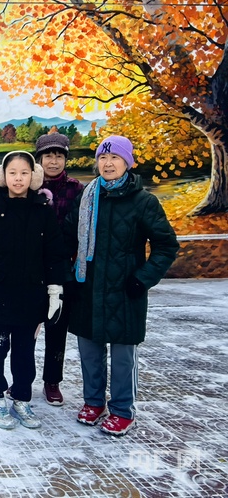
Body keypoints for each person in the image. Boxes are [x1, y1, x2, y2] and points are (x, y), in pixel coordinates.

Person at [66, 135, 178, 436]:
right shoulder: (87, 197)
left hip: (125, 289)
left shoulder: (144, 202)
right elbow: (67, 237)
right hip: (87, 286)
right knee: (89, 351)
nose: (108, 163)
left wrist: (143, 278)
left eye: (114, 157)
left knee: (123, 356)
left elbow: (166, 245)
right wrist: (68, 275)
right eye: (102, 158)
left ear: (128, 162)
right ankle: (93, 402)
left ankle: (122, 410)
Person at [0, 151, 67, 430]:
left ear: (34, 176)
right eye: (13, 173)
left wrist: (55, 292)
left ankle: (21, 398)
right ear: (3, 175)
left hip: (31, 297)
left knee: (24, 353)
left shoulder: (43, 210)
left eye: (24, 173)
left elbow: (54, 254)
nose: (18, 178)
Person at [34, 132, 85, 406]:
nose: (53, 161)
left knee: (57, 326)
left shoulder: (77, 189)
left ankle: (52, 381)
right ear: (39, 159)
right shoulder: (28, 186)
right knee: (26, 326)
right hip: (31, 267)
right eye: (48, 156)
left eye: (58, 156)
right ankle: (22, 377)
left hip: (63, 267)